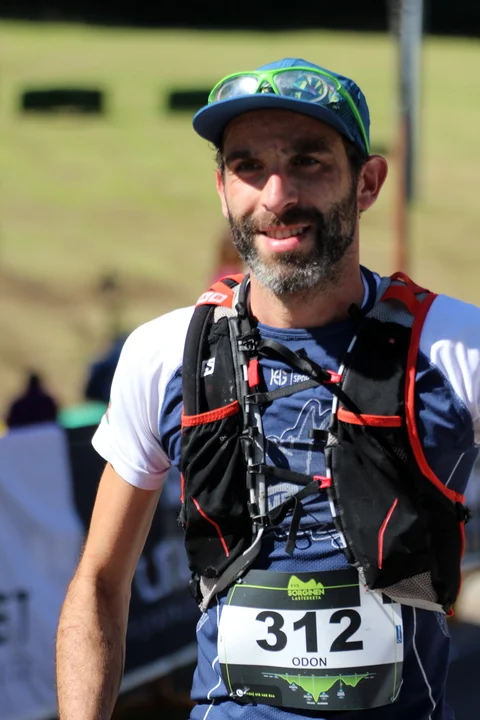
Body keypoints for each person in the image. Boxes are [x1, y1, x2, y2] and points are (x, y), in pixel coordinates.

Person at [55, 57, 480, 720]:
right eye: (248, 166)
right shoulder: (163, 355)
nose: (277, 197)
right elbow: (100, 582)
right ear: (222, 188)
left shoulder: (458, 348)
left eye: (309, 161)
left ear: (367, 183)